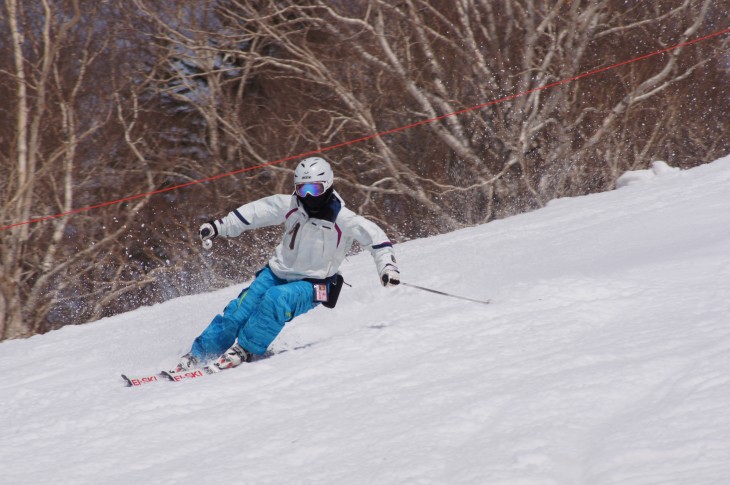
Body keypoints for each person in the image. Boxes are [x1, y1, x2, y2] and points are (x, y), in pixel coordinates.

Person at [171, 157, 400, 374]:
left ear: (328, 185)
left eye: (315, 189)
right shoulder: (291, 205)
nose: (308, 196)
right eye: (302, 189)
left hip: (315, 284)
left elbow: (376, 238)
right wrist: (219, 226)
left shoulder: (343, 219)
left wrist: (387, 268)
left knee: (275, 299)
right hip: (277, 273)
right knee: (238, 311)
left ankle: (246, 349)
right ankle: (199, 355)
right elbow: (256, 212)